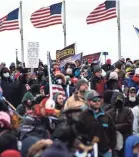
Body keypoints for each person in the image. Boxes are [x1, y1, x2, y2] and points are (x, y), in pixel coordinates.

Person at [81, 90, 116, 157]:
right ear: (88, 102)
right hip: (89, 151)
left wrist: (111, 147)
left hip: (106, 151)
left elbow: (113, 132)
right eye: (94, 100)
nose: (97, 102)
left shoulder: (106, 116)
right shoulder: (83, 116)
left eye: (98, 100)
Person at [107, 91, 134, 157]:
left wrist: (115, 127)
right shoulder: (108, 112)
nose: (118, 102)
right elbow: (106, 126)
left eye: (120, 101)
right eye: (116, 101)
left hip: (125, 139)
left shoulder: (128, 111)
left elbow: (128, 125)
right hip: (113, 141)